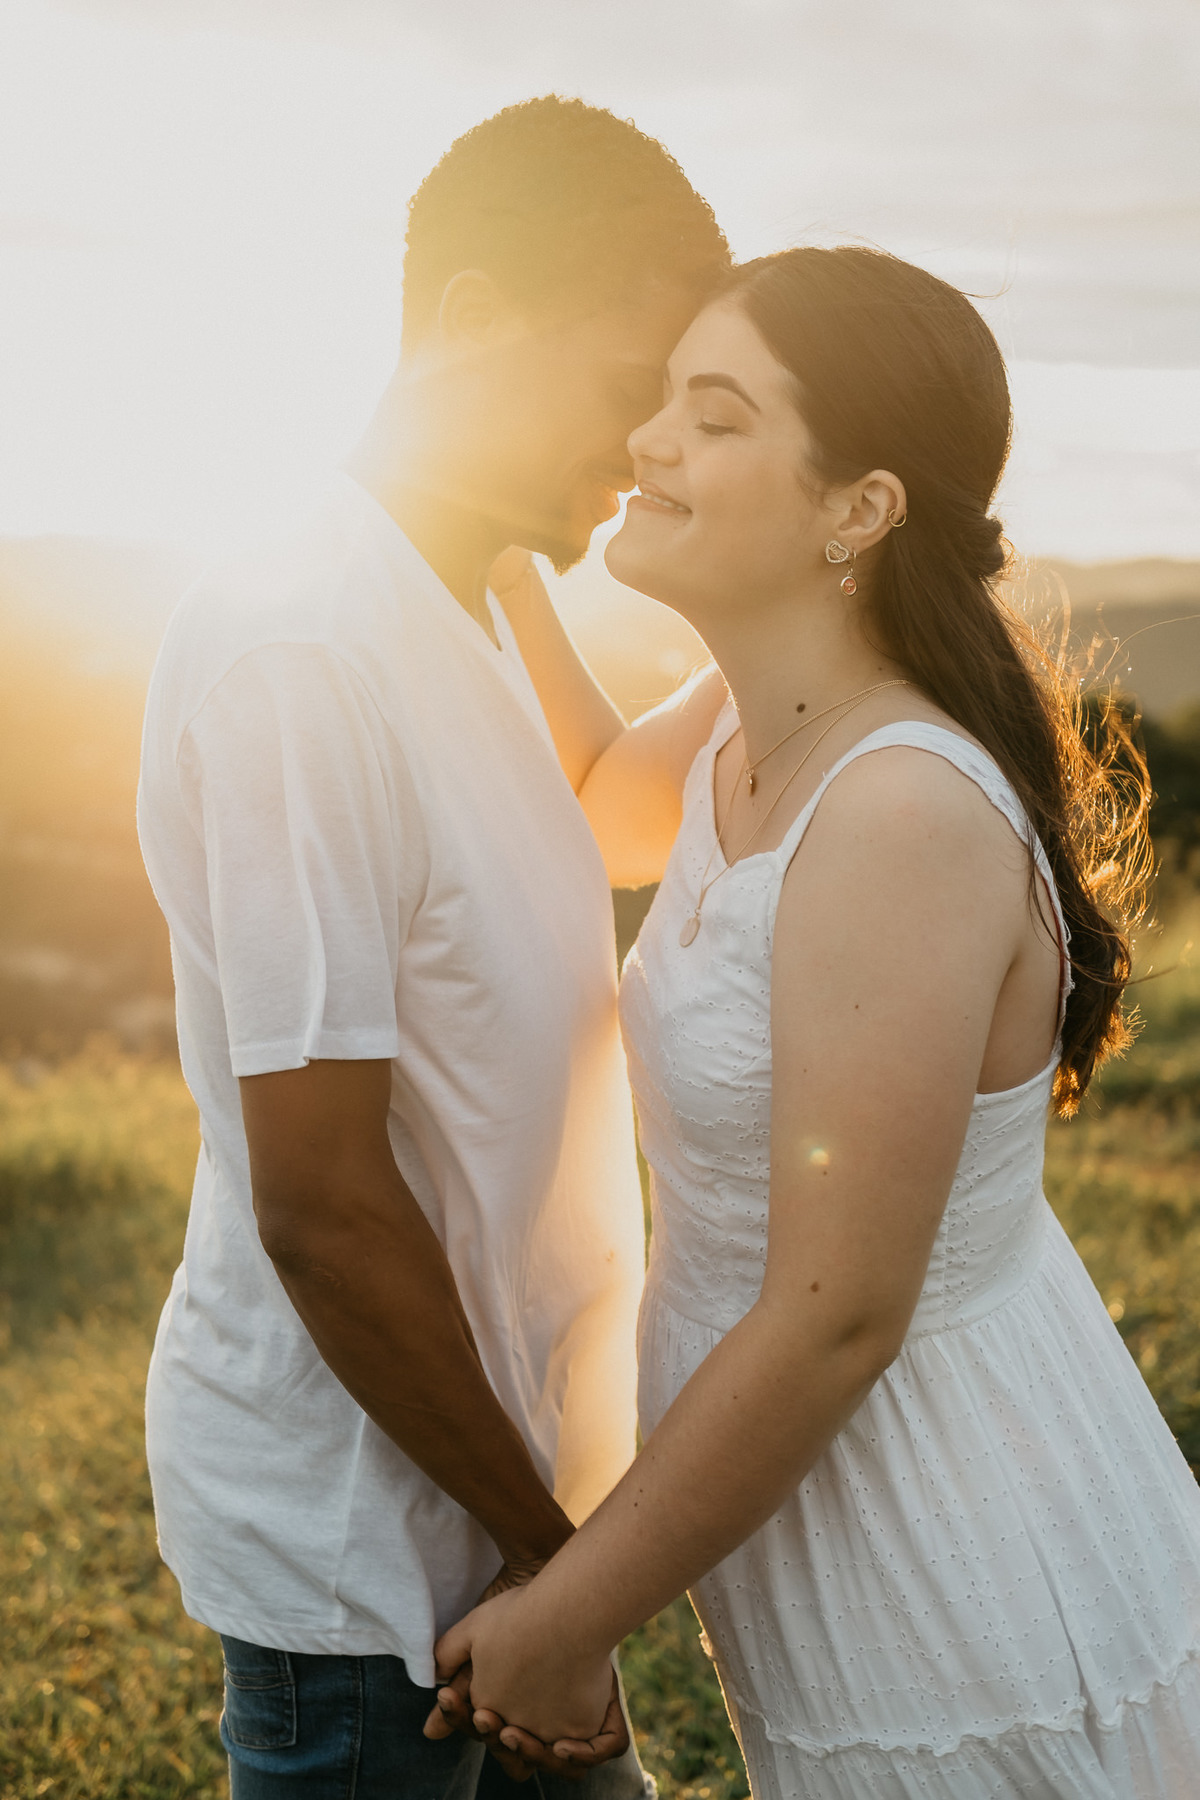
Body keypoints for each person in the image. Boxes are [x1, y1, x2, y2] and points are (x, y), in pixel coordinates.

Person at [427, 247, 1200, 1798]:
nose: (653, 441)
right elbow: (598, 803)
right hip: (814, 1504)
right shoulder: (751, 715)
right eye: (662, 402)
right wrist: (502, 540)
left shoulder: (898, 811)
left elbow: (840, 1311)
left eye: (714, 418)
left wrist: (570, 1618)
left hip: (950, 1520)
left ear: (860, 507)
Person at [136, 95, 730, 1799]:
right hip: (370, 1553)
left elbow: (615, 810)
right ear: (474, 323)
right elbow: (320, 1201)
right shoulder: (301, 648)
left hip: (490, 1501)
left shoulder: (469, 587)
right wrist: (560, 1561)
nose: (647, 442)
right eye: (628, 380)